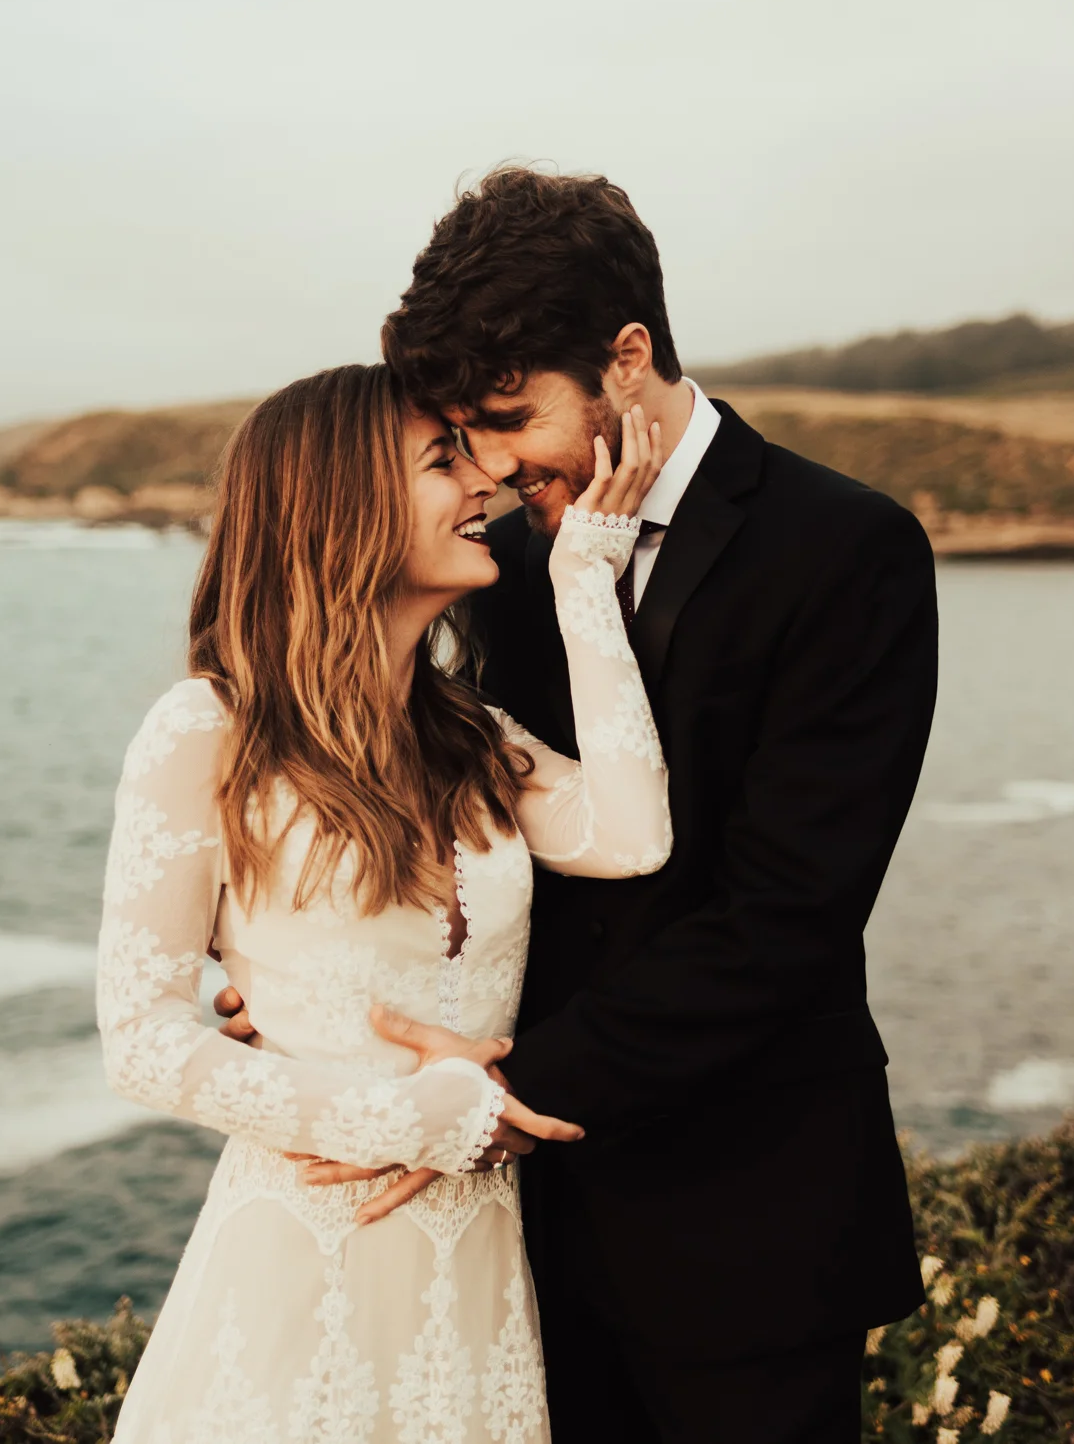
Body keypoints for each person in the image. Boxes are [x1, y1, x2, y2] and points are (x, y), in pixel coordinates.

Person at [254, 168, 941, 1443]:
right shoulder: (504, 560)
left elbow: (788, 914)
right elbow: (450, 812)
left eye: (512, 417)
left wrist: (504, 1099)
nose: (494, 465)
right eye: (467, 434)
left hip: (749, 1209)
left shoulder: (848, 548)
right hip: (521, 1237)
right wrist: (302, 979)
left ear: (627, 359)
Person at [95, 362, 673, 1444]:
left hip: (475, 1277)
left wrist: (585, 579)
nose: (485, 484)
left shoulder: (472, 733)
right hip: (301, 1270)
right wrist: (412, 1119)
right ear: (345, 506)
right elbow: (141, 1040)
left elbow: (633, 837)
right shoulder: (207, 730)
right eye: (443, 461)